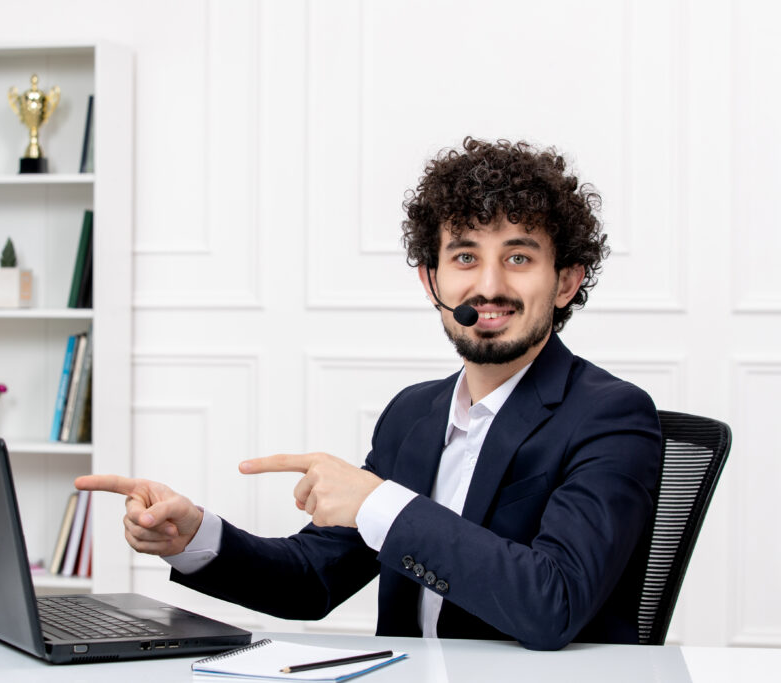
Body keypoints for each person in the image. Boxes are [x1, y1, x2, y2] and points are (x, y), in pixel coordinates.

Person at [76, 137, 662, 651]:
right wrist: (195, 537)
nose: (489, 285)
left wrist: (377, 502)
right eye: (464, 256)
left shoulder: (611, 415)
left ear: (565, 281)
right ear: (432, 281)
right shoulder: (414, 414)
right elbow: (313, 580)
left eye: (518, 257)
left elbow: (551, 603)